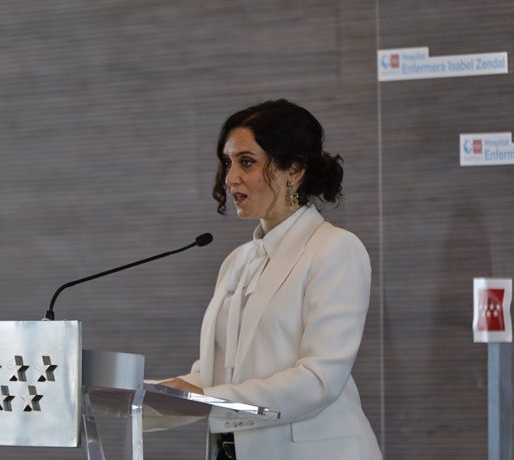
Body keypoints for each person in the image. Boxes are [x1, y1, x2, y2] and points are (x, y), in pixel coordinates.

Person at [161, 99, 382, 459]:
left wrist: (210, 401)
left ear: (293, 170)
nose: (231, 177)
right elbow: (215, 376)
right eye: (228, 162)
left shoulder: (335, 249)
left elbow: (319, 380)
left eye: (246, 162)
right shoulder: (236, 262)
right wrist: (139, 396)